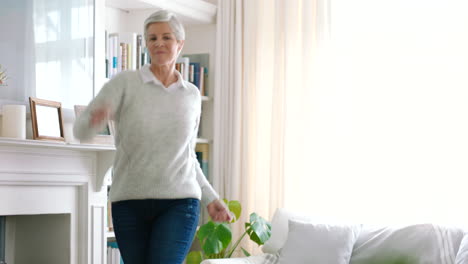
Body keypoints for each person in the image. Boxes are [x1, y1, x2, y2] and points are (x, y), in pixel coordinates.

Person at [73, 9, 232, 264]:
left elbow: (187, 155)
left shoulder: (191, 94)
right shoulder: (125, 83)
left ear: (180, 44)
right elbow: (80, 131)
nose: (159, 43)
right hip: (129, 203)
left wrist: (211, 197)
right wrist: (95, 118)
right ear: (146, 44)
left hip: (180, 202)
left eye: (166, 37)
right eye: (152, 38)